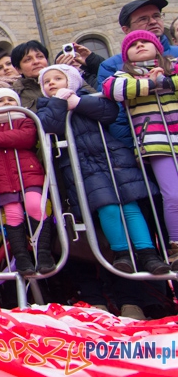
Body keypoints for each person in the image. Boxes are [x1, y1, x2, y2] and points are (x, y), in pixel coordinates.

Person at [37, 64, 169, 274]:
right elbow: (49, 125)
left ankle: (148, 254)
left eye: (57, 78)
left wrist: (78, 102)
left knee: (129, 205)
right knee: (106, 207)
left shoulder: (88, 96)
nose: (51, 83)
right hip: (82, 166)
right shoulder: (46, 105)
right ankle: (121, 253)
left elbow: (109, 112)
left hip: (111, 158)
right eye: (46, 81)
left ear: (71, 81)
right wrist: (59, 103)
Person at [102, 32, 178, 271]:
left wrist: (164, 80)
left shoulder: (173, 67)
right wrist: (151, 84)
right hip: (156, 142)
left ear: (157, 46)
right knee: (173, 195)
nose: (140, 45)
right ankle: (176, 245)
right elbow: (112, 89)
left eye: (144, 42)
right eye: (133, 45)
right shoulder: (125, 75)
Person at [0, 88, 54, 276]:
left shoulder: (24, 119)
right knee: (13, 215)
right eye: (0, 100)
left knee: (34, 207)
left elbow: (27, 137)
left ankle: (44, 254)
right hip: (1, 179)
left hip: (27, 173)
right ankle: (22, 258)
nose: (6, 103)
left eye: (10, 99)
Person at [96, 0, 178, 143]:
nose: (153, 22)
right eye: (143, 19)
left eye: (156, 16)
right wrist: (132, 149)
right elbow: (117, 115)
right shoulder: (110, 66)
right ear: (126, 30)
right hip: (153, 147)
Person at [10, 41, 50, 112]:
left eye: (40, 56)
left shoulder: (63, 81)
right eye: (28, 59)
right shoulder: (14, 95)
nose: (36, 62)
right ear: (18, 69)